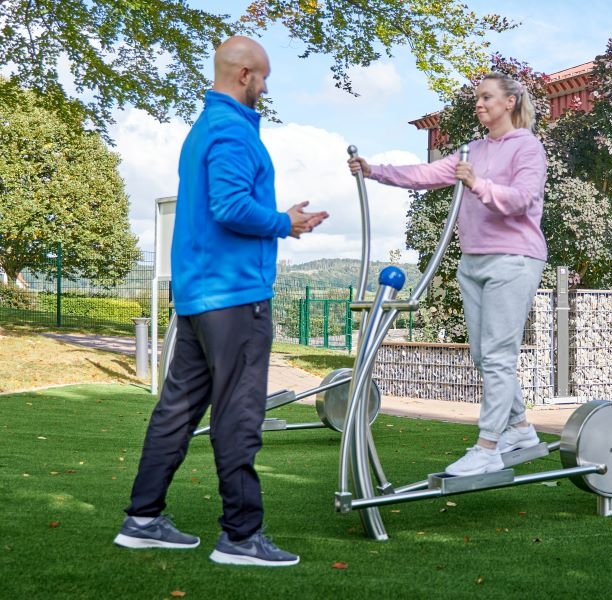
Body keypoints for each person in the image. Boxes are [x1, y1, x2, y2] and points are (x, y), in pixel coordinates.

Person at [113, 36, 328, 567]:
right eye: (264, 78)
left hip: (199, 296)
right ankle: (240, 537)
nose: (265, 87)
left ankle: (142, 520)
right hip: (235, 299)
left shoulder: (204, 129)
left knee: (177, 409)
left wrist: (277, 217)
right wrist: (284, 223)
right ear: (244, 76)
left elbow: (221, 206)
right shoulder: (232, 129)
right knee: (238, 413)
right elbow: (230, 206)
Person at [348, 72, 547, 477]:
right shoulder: (470, 150)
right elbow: (423, 175)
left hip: (514, 258)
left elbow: (522, 201)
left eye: (487, 97)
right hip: (473, 260)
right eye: (477, 98)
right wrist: (373, 170)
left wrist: (478, 184)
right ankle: (522, 429)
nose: (479, 103)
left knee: (497, 357)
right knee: (482, 354)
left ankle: (488, 446)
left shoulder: (527, 148)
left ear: (509, 102)